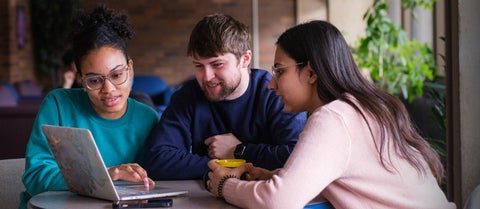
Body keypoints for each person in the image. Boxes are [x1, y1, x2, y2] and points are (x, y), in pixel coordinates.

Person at [204, 20, 456, 209]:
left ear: (311, 73)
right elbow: (336, 178)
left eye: (279, 71)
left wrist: (225, 185)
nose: (271, 84)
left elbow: (278, 202)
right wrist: (269, 176)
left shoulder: (334, 118)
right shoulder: (362, 107)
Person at [20, 5, 159, 208]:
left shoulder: (148, 119)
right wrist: (110, 174)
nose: (109, 89)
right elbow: (35, 176)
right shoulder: (59, 105)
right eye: (94, 80)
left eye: (117, 74)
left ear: (130, 68)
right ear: (80, 78)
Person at [144, 13, 306, 180]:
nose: (206, 77)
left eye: (217, 64)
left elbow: (299, 158)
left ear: (245, 59)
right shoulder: (188, 96)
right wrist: (229, 165)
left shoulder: (275, 93)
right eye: (199, 66)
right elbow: (157, 159)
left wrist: (239, 150)